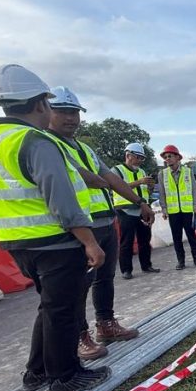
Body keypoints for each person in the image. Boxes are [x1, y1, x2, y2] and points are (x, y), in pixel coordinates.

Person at [0, 64, 109, 391]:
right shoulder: (35, 141)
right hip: (55, 241)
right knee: (64, 310)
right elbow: (61, 200)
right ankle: (64, 377)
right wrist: (89, 242)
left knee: (50, 308)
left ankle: (36, 373)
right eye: (49, 104)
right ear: (39, 105)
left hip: (18, 242)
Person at [46, 87, 154, 361]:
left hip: (105, 221)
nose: (71, 119)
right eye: (63, 112)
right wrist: (99, 181)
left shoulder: (84, 149)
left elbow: (109, 178)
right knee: (79, 283)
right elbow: (84, 179)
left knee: (105, 278)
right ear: (47, 112)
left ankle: (105, 324)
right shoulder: (47, 145)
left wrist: (139, 202)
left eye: (74, 113)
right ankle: (80, 336)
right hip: (78, 227)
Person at [112, 143, 159, 279]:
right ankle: (126, 270)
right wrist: (139, 182)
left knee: (145, 239)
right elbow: (116, 187)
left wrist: (150, 186)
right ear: (128, 155)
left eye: (142, 158)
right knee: (127, 241)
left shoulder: (142, 172)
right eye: (138, 157)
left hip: (142, 210)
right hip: (125, 210)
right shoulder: (116, 170)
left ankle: (146, 265)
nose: (140, 160)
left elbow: (145, 192)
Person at [156, 144, 196, 269]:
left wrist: (195, 205)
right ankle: (181, 261)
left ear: (178, 157)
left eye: (170, 156)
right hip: (173, 211)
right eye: (165, 157)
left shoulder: (188, 172)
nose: (167, 159)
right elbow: (162, 193)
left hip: (188, 210)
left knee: (191, 236)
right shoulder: (162, 174)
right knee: (176, 238)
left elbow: (194, 190)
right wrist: (164, 209)